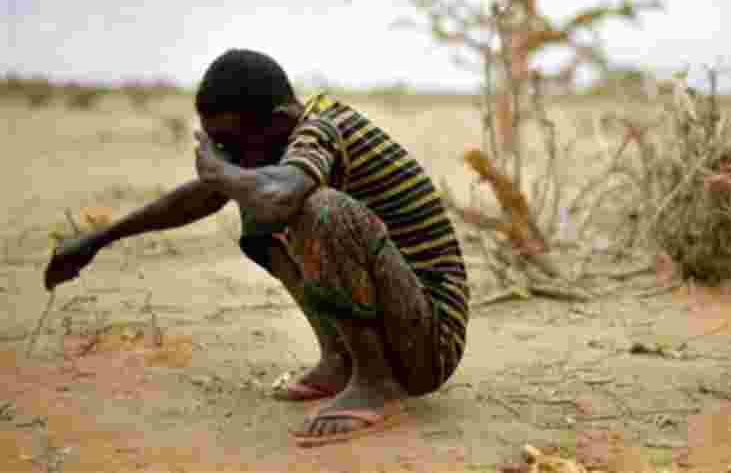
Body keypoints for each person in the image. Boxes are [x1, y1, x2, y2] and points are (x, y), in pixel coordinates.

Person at [44, 49, 470, 447]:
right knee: (260, 205)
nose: (231, 156)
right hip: (403, 325)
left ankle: (375, 384)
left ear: (281, 119)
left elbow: (279, 192)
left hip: (430, 343)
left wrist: (224, 173)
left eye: (234, 143)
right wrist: (98, 240)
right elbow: (203, 196)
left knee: (317, 208)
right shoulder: (283, 144)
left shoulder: (320, 128)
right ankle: (340, 359)